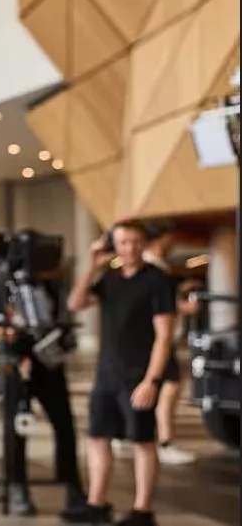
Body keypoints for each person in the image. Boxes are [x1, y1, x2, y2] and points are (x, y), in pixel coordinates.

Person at [68, 221, 177, 526]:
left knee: (142, 441)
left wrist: (151, 381)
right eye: (123, 242)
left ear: (144, 244)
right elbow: (75, 304)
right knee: (97, 438)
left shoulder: (158, 281)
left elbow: (164, 337)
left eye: (135, 242)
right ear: (113, 246)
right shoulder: (110, 279)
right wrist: (91, 265)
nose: (130, 248)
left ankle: (143, 511)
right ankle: (96, 503)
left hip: (138, 376)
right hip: (107, 374)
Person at [0, 274, 89, 519]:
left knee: (64, 426)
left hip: (49, 362)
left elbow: (65, 315)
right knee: (15, 430)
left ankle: (72, 486)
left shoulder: (52, 285)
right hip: (14, 364)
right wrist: (2, 332)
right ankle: (17, 487)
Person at [137, 223, 197, 466]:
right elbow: (158, 303)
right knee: (169, 387)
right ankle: (164, 442)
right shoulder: (153, 268)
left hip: (157, 338)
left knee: (158, 388)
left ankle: (137, 435)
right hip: (159, 338)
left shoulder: (156, 267)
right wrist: (185, 306)